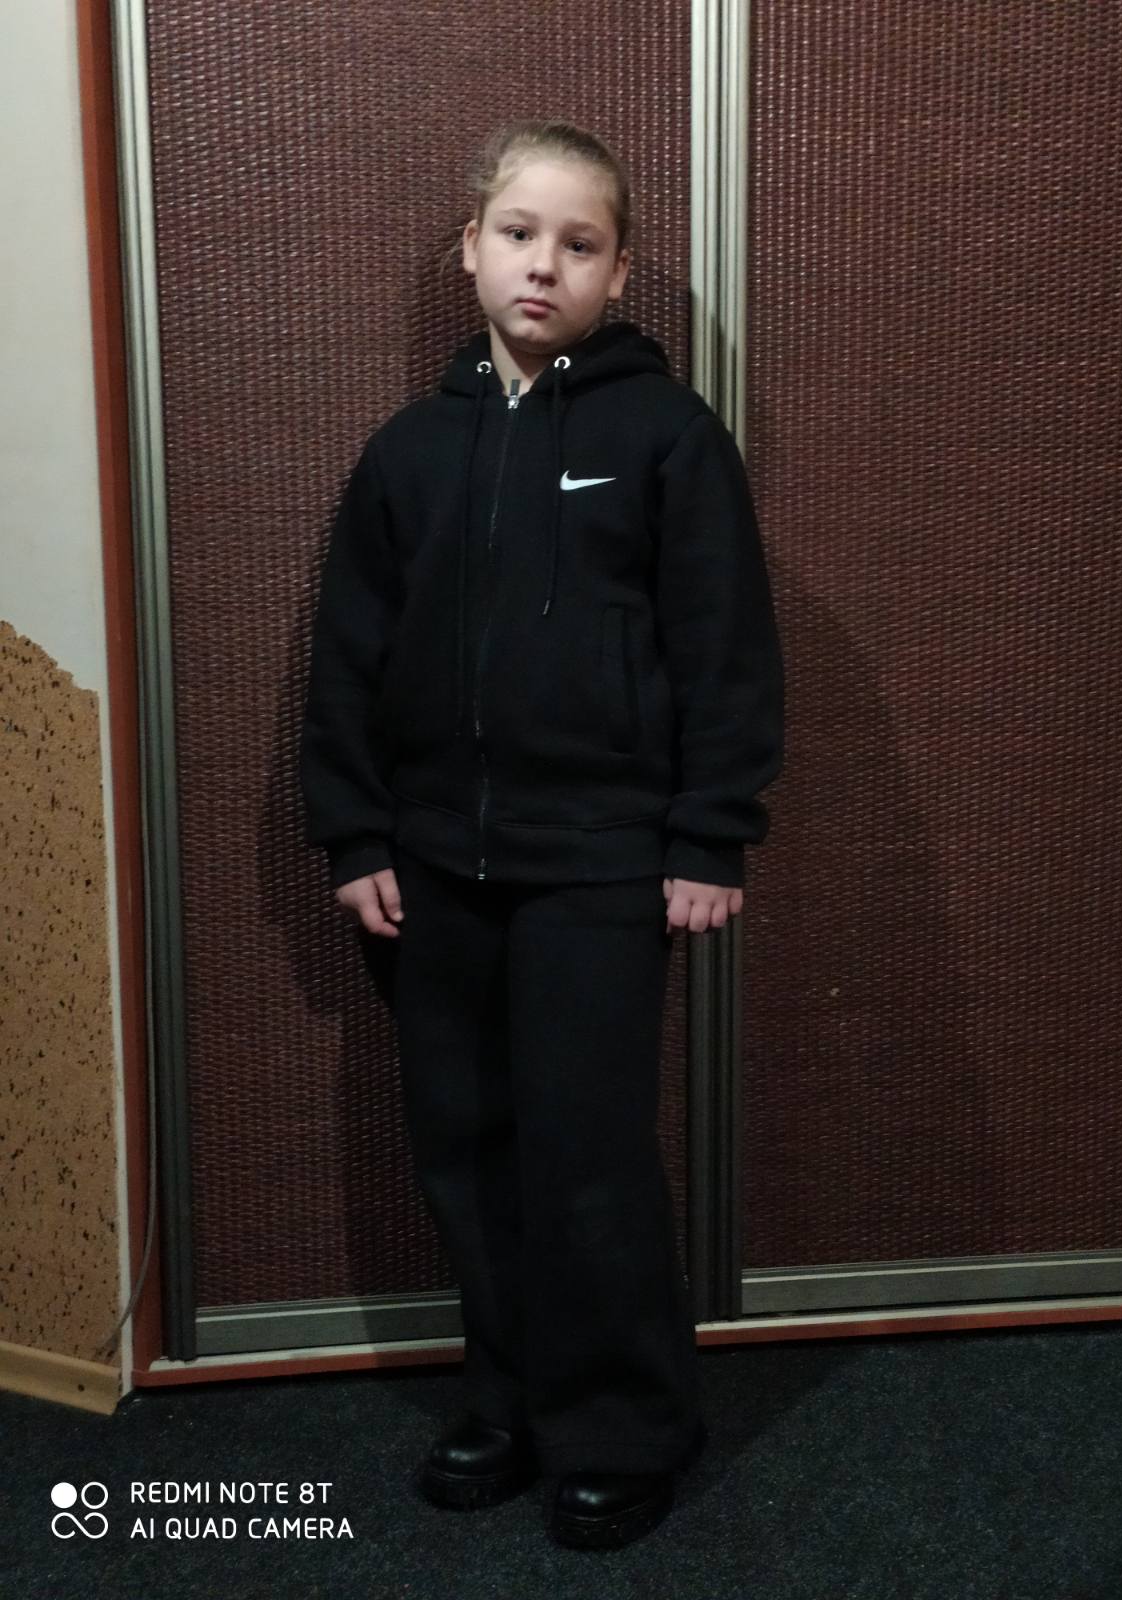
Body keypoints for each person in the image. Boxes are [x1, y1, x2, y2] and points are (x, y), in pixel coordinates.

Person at [298, 118, 785, 1550]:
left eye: (580, 244)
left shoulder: (666, 437)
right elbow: (347, 659)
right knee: (467, 1148)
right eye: (518, 234)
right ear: (471, 249)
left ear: (618, 272)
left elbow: (724, 649)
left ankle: (622, 1425)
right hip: (433, 872)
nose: (543, 264)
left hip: (602, 868)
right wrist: (356, 833)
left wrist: (708, 836)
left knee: (586, 1156)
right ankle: (505, 1401)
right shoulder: (410, 452)